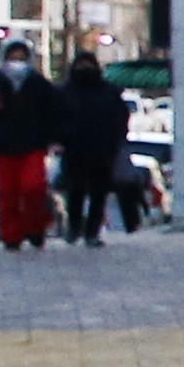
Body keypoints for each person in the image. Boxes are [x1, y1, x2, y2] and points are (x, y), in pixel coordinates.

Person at [0, 37, 57, 251]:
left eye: (21, 58)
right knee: (7, 193)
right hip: (3, 147)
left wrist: (53, 136)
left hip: (33, 146)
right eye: (13, 58)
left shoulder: (38, 84)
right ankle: (11, 236)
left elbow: (55, 111)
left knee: (33, 188)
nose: (17, 62)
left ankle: (35, 228)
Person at [53, 47, 126, 250]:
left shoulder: (108, 92)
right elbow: (55, 118)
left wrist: (115, 141)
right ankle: (74, 228)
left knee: (98, 194)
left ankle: (91, 232)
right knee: (75, 192)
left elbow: (120, 119)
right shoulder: (66, 92)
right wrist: (61, 139)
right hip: (75, 150)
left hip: (102, 150)